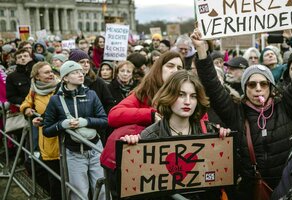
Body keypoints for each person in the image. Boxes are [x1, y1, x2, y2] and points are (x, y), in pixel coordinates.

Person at [190, 27, 292, 200]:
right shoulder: (236, 113)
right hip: (251, 190)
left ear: (271, 87)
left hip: (286, 187)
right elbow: (212, 85)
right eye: (251, 84)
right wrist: (201, 50)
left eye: (263, 84)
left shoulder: (285, 106)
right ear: (244, 88)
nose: (258, 89)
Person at [120, 70, 230, 199]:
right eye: (181, 95)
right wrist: (132, 149)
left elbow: (219, 177)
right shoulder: (150, 136)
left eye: (193, 96)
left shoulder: (209, 131)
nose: (188, 101)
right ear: (169, 95)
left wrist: (224, 142)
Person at [43, 60, 107, 200]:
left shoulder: (91, 95)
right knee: (79, 194)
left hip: (95, 149)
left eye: (80, 71)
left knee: (102, 191)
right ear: (65, 78)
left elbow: (104, 120)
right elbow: (47, 130)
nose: (81, 74)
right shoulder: (56, 100)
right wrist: (63, 124)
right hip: (74, 153)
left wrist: (86, 121)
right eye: (75, 72)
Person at [108, 51, 184, 129]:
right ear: (159, 69)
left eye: (179, 68)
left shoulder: (188, 94)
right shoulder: (145, 92)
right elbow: (114, 115)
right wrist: (150, 115)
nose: (175, 71)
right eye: (170, 66)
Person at [20, 61, 60, 200]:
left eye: (51, 71)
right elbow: (26, 103)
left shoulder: (60, 87)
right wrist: (27, 109)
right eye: (47, 72)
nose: (51, 74)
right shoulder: (34, 90)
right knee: (52, 176)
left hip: (63, 138)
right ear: (37, 77)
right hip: (47, 140)